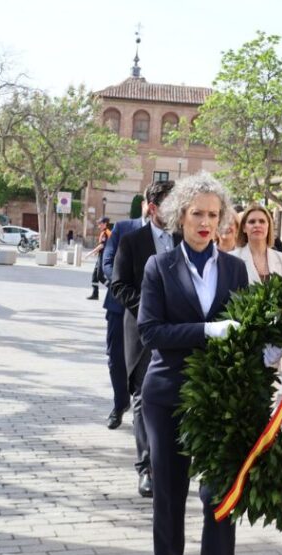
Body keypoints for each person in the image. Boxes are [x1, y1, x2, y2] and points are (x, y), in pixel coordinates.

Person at [137, 172, 248, 555]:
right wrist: (207, 332)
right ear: (180, 216)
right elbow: (150, 332)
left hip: (220, 398)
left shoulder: (235, 269)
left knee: (220, 494)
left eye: (213, 215)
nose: (205, 223)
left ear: (222, 220)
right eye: (197, 213)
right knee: (169, 492)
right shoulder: (159, 266)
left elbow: (244, 326)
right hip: (167, 394)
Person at [109, 180, 178, 498]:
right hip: (141, 330)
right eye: (170, 203)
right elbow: (119, 284)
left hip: (178, 331)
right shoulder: (132, 240)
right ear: (152, 207)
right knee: (142, 399)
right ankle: (146, 468)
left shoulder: (184, 240)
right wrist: (150, 309)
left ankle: (172, 463)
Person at [230, 204, 282, 283]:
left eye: (262, 221)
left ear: (268, 226)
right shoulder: (232, 259)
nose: (257, 225)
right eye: (252, 222)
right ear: (244, 228)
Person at [85, 217, 111, 300]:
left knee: (100, 276)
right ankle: (95, 294)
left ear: (105, 224)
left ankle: (113, 289)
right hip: (101, 255)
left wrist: (90, 252)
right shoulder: (104, 232)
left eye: (100, 223)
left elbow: (102, 245)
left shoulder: (106, 232)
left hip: (104, 256)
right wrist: (97, 252)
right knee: (94, 276)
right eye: (99, 223)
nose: (99, 225)